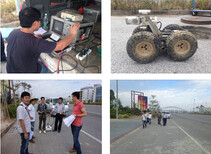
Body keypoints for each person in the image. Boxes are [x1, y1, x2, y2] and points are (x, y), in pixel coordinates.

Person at [6, 7, 80, 73]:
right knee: (44, 67)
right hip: (25, 73)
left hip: (10, 69)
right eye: (39, 20)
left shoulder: (13, 32)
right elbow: (61, 46)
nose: (40, 22)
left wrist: (34, 36)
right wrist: (72, 34)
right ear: (35, 23)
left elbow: (22, 40)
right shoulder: (35, 42)